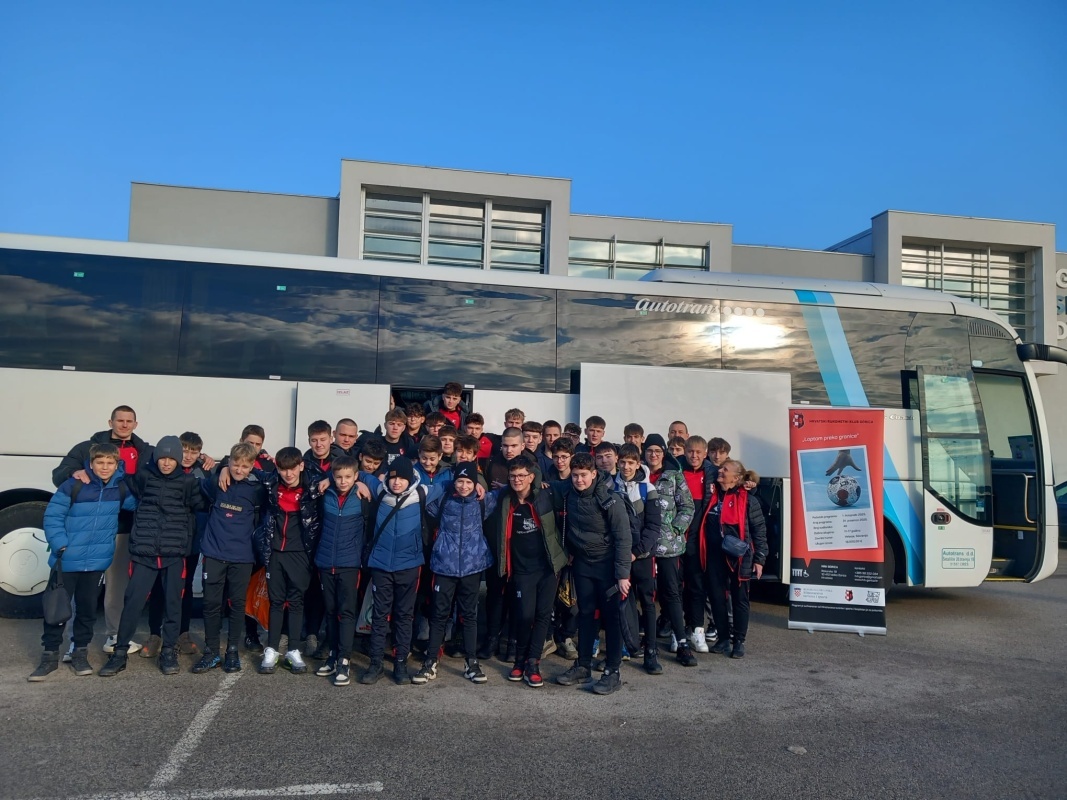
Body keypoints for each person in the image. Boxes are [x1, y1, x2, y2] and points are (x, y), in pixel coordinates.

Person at [99, 436, 207, 677]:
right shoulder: (143, 477)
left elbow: (204, 504)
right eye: (162, 458)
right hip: (144, 553)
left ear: (178, 459)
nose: (166, 463)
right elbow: (117, 478)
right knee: (133, 603)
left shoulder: (189, 482)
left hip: (174, 554)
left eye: (171, 458)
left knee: (173, 605)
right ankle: (119, 653)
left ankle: (168, 651)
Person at [52, 405, 154, 656]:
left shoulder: (145, 451)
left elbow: (173, 465)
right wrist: (73, 472)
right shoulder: (86, 447)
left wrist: (209, 460)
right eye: (120, 420)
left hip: (122, 529)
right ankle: (74, 642)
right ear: (110, 422)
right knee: (80, 591)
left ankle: (114, 635)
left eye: (129, 421)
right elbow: (59, 474)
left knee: (116, 587)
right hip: (88, 530)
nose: (124, 425)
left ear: (136, 424)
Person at [29, 443, 137, 681]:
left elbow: (142, 506)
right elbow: (53, 515)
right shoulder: (74, 485)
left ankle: (80, 653)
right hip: (67, 559)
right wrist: (60, 544)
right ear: (91, 463)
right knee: (56, 610)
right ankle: (49, 657)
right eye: (100, 463)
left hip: (97, 562)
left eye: (110, 463)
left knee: (87, 611)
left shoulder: (120, 488)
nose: (105, 467)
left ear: (117, 465)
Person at [359, 457, 444, 685]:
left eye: (402, 479)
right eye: (393, 478)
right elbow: (358, 473)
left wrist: (477, 485)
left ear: (410, 479)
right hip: (381, 565)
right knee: (379, 616)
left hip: (409, 565)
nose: (397, 482)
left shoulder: (422, 493)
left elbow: (449, 482)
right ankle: (375, 664)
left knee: (404, 616)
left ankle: (400, 664)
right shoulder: (379, 490)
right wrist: (356, 481)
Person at [554, 453, 631, 695]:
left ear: (594, 474)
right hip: (582, 564)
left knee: (612, 618)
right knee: (585, 614)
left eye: (583, 475)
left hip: (608, 567)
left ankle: (612, 672)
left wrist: (623, 575)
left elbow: (623, 538)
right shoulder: (567, 492)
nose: (579, 480)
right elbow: (543, 485)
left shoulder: (610, 499)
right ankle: (583, 666)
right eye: (575, 475)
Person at [413, 461, 495, 686]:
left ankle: (471, 662)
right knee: (439, 614)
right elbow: (419, 493)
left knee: (469, 615)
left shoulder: (483, 501)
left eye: (469, 482)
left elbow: (510, 490)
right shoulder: (442, 499)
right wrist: (448, 483)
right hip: (444, 565)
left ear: (476, 483)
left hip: (472, 566)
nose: (464, 486)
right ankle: (431, 660)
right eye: (460, 481)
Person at [487, 455, 567, 688]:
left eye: (522, 475)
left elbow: (570, 489)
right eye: (513, 476)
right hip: (521, 570)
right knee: (524, 616)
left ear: (532, 477)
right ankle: (519, 660)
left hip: (547, 567)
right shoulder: (504, 498)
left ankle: (533, 662)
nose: (517, 480)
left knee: (543, 615)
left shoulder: (545, 495)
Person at [192, 442, 267, 674]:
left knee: (236, 605)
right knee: (211, 604)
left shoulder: (257, 489)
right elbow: (199, 477)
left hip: (242, 556)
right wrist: (222, 467)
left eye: (245, 466)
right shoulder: (217, 482)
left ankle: (232, 651)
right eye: (235, 464)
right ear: (230, 461)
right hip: (214, 552)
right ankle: (211, 652)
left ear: (252, 467)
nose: (239, 469)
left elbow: (275, 480)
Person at [255, 447, 324, 676]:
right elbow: (245, 468)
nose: (288, 474)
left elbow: (344, 475)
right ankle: (272, 650)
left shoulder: (314, 487)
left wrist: (362, 483)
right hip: (275, 552)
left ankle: (294, 650)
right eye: (283, 469)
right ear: (278, 468)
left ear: (301, 466)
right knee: (276, 602)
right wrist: (225, 468)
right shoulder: (270, 484)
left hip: (300, 554)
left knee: (296, 602)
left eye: (293, 468)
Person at [313, 455, 373, 686]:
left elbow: (380, 481)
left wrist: (362, 481)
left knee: (346, 612)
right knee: (330, 611)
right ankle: (332, 655)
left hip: (349, 564)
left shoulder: (362, 496)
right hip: (325, 561)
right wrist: (328, 479)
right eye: (338, 477)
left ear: (356, 476)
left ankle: (344, 660)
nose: (343, 481)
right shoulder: (325, 493)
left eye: (348, 477)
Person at [699, 459, 768, 658]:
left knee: (740, 599)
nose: (720, 471)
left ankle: (738, 641)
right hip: (714, 555)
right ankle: (722, 639)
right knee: (717, 598)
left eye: (725, 469)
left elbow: (759, 531)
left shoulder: (749, 500)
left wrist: (760, 559)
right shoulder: (712, 495)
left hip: (739, 556)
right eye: (720, 468)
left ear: (737, 478)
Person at [643, 434, 697, 667]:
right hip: (642, 546)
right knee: (644, 595)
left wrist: (676, 529)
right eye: (649, 450)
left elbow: (687, 506)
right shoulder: (639, 474)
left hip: (668, 546)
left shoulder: (674, 476)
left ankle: (682, 643)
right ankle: (647, 642)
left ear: (663, 453)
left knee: (671, 593)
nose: (653, 455)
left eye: (657, 450)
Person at [612, 444, 662, 674]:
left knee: (648, 603)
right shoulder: (609, 486)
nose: (626, 467)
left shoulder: (648, 489)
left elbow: (653, 527)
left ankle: (650, 652)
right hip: (619, 556)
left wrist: (636, 551)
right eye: (622, 462)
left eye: (631, 462)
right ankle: (620, 649)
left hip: (642, 557)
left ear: (638, 463)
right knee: (621, 603)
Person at [681, 435, 718, 651]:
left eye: (698, 452)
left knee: (696, 586)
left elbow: (736, 481)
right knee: (675, 588)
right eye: (690, 451)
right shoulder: (676, 471)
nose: (694, 456)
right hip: (677, 539)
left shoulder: (713, 473)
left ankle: (697, 630)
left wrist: (752, 483)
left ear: (705, 454)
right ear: (684, 452)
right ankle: (679, 630)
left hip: (699, 541)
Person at [176, 432, 211, 655]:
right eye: (184, 450)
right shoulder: (167, 466)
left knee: (187, 586)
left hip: (193, 538)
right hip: (169, 538)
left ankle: (183, 632)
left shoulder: (204, 471)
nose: (188, 456)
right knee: (165, 587)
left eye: (194, 452)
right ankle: (158, 634)